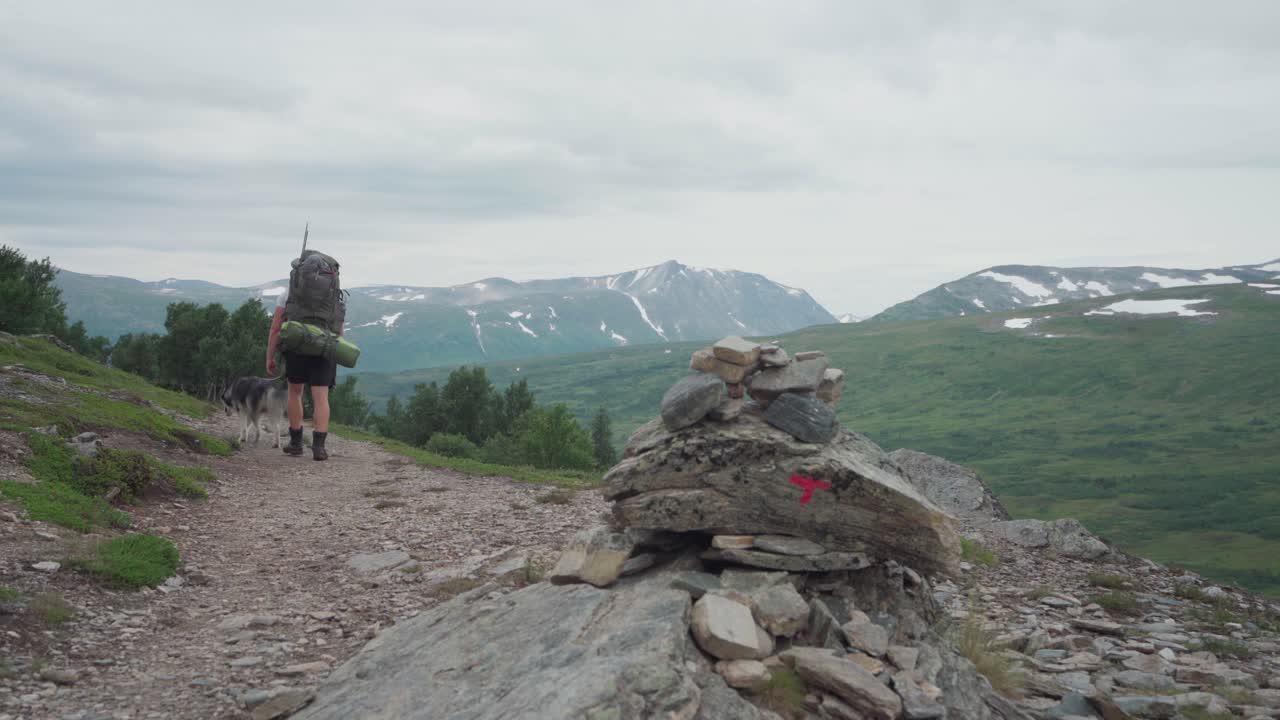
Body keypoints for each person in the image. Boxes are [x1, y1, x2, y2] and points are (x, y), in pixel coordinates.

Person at [265, 286, 340, 460]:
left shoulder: (289, 293)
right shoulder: (332, 292)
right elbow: (339, 328)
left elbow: (276, 327)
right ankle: (319, 448)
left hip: (296, 348)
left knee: (295, 393)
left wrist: (270, 356)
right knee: (321, 398)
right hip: (324, 349)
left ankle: (296, 443)